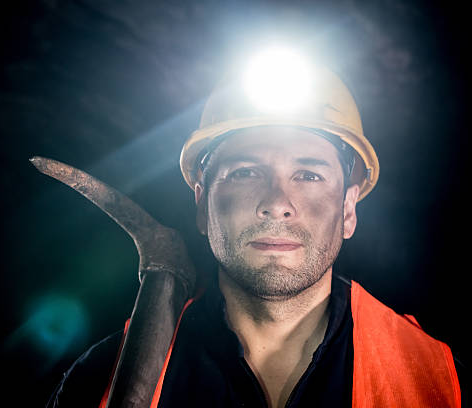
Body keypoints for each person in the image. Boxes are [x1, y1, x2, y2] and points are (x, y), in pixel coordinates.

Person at [47, 52, 465, 407]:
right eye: (245, 172)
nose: (277, 204)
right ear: (202, 203)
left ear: (349, 209)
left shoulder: (443, 384)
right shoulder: (99, 379)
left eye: (309, 175)